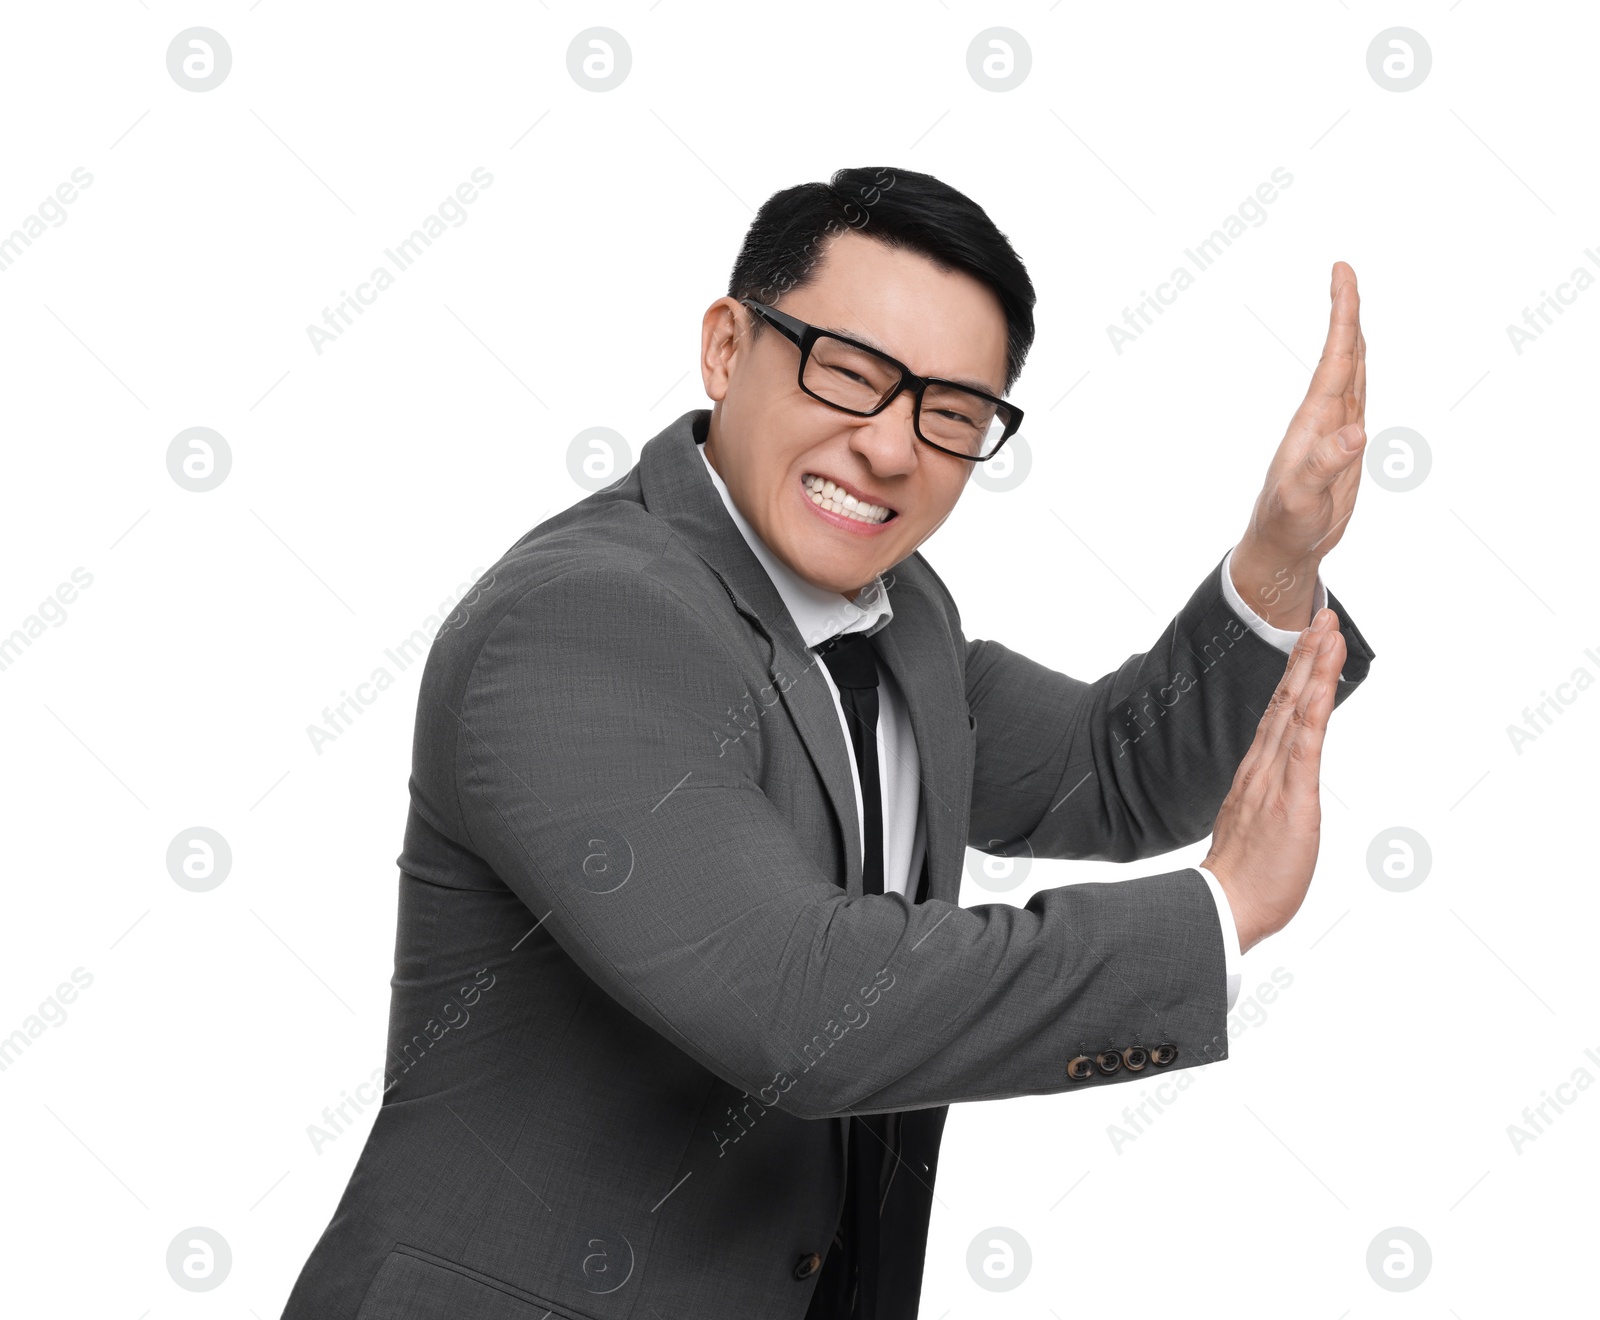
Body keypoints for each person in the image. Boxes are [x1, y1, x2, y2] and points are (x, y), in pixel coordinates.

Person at [283, 165, 1375, 1320]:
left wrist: (1277, 558)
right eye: (849, 373)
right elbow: (801, 1004)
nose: (891, 447)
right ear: (724, 348)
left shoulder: (899, 621)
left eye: (950, 414)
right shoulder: (583, 623)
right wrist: (1217, 914)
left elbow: (1107, 773)